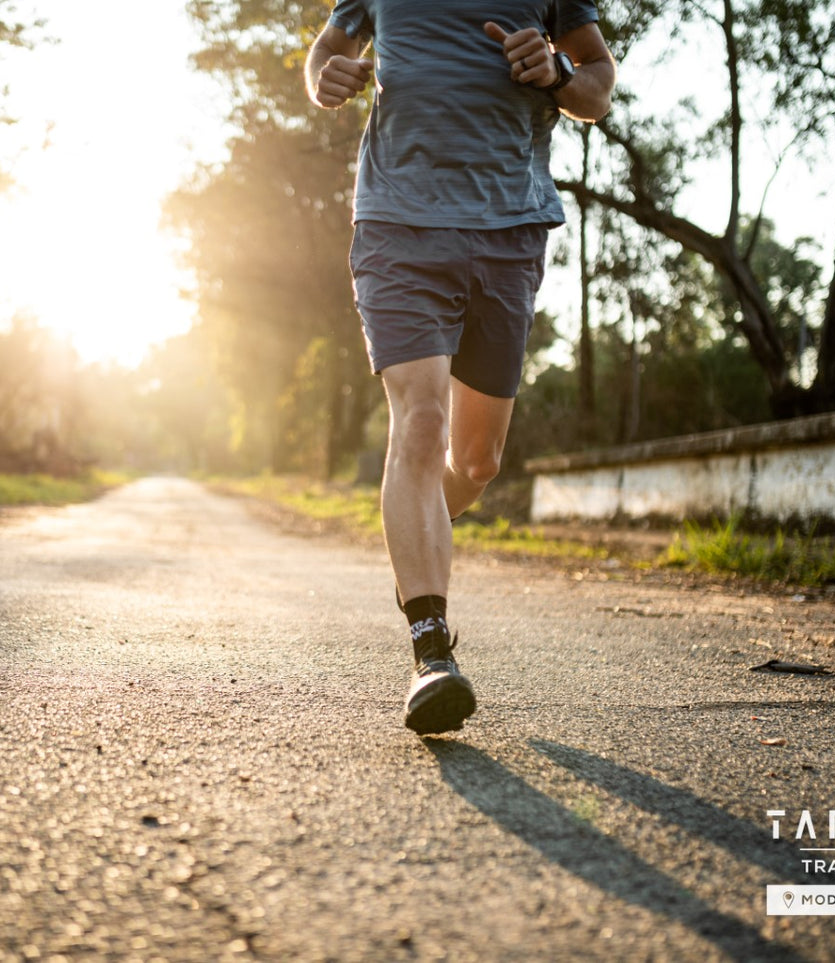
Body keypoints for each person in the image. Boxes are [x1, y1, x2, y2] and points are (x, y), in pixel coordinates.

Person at [305, 2, 616, 734]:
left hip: (508, 230)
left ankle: (412, 536)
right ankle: (430, 646)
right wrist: (325, 77)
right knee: (419, 421)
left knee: (475, 461)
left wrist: (560, 71)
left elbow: (597, 89)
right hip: (398, 224)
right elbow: (327, 47)